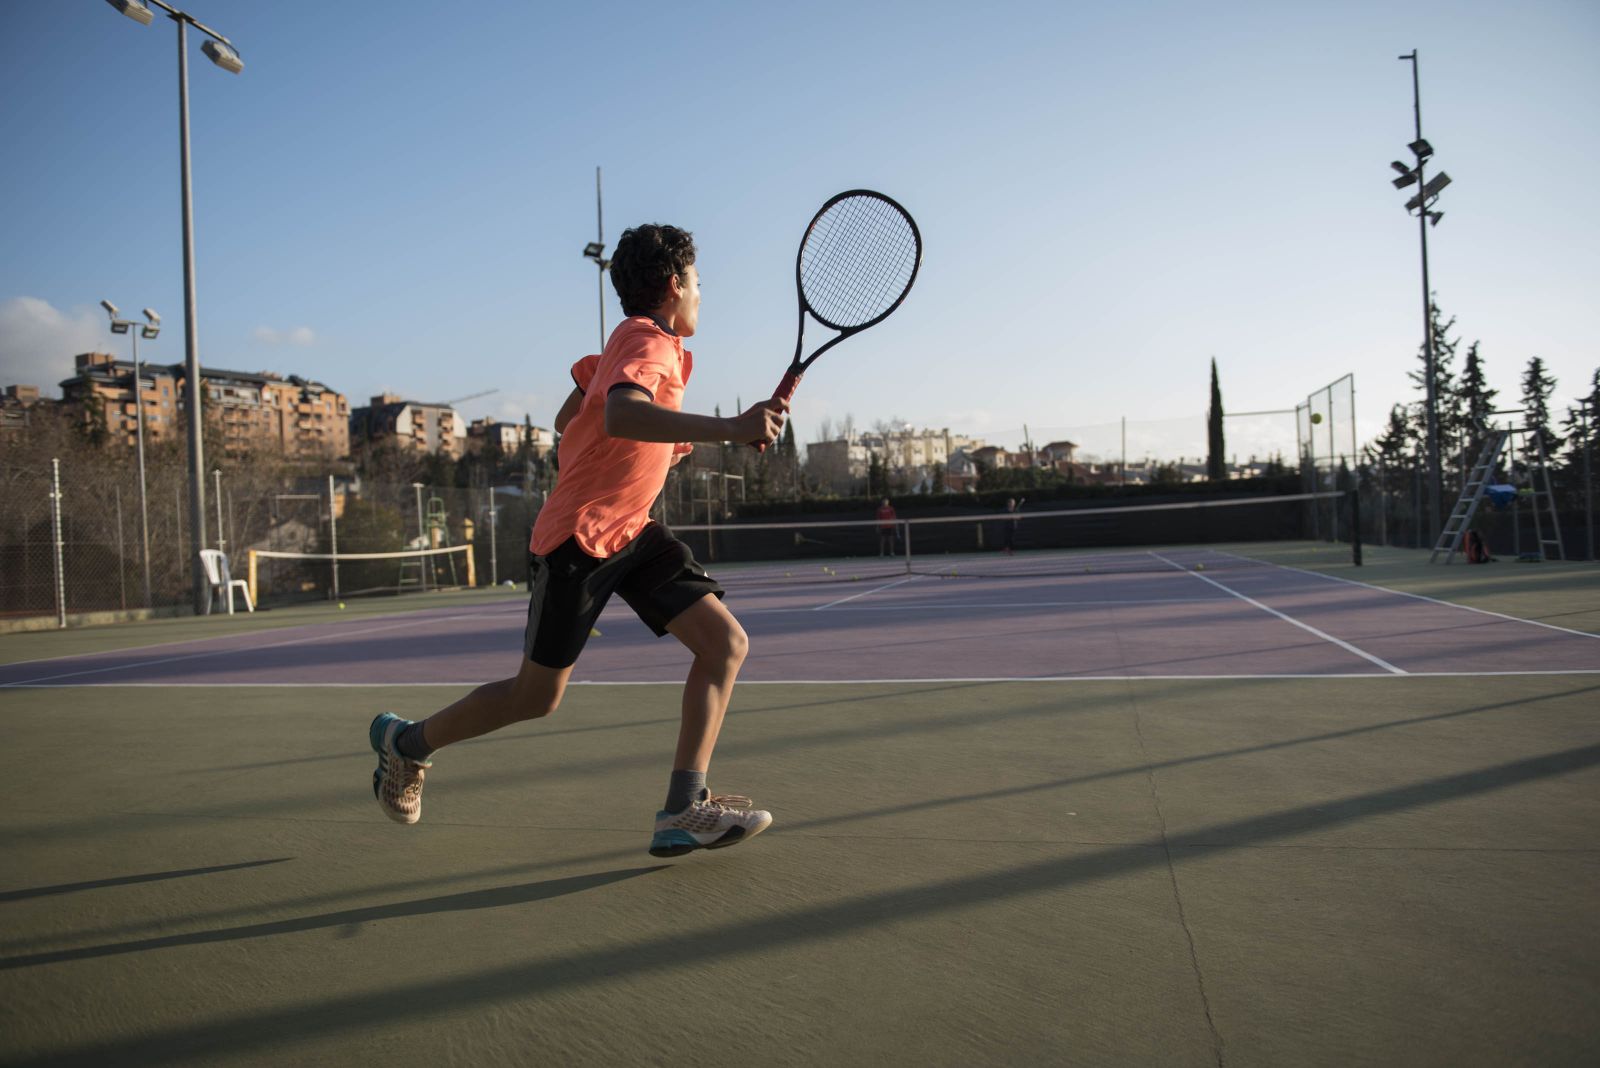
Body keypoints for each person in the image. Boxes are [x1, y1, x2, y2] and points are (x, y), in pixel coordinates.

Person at [368, 223, 788, 858]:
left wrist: (659, 446)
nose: (703, 294)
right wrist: (729, 428)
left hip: (634, 531)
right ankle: (406, 744)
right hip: (578, 541)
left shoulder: (626, 346)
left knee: (725, 643)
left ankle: (683, 807)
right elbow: (619, 413)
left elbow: (578, 417)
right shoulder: (649, 343)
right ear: (675, 285)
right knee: (533, 698)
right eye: (699, 282)